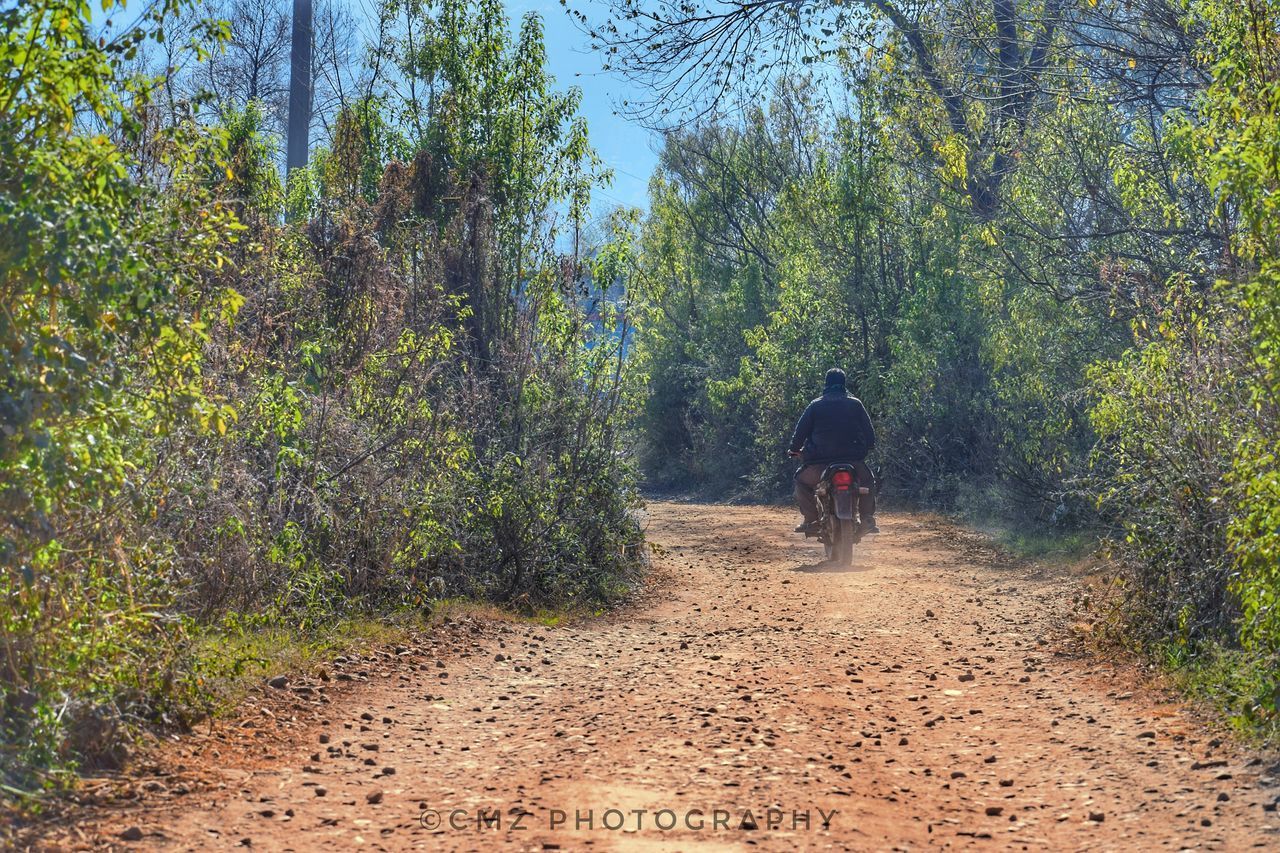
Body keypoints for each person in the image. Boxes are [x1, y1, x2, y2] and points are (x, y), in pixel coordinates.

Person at [787, 368, 879, 535]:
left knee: (801, 482)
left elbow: (799, 433)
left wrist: (794, 449)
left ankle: (811, 520)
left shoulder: (815, 406)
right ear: (844, 384)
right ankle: (866, 518)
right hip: (852, 461)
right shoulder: (855, 404)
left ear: (826, 384)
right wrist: (869, 445)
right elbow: (869, 433)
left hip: (819, 463)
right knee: (868, 481)